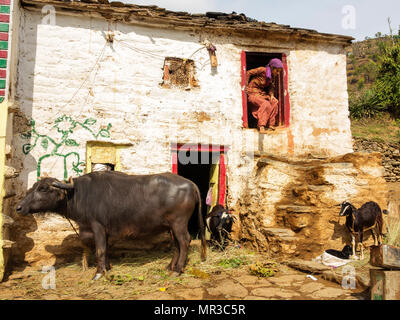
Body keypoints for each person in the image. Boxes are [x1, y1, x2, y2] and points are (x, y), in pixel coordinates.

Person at [246, 58, 283, 133]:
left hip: (261, 93)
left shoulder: (272, 77)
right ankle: (261, 126)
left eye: (279, 71)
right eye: (277, 70)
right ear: (272, 68)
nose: (278, 73)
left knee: (274, 102)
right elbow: (249, 72)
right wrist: (245, 85)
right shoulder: (263, 70)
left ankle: (270, 124)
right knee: (265, 104)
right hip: (252, 92)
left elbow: (271, 87)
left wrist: (272, 95)